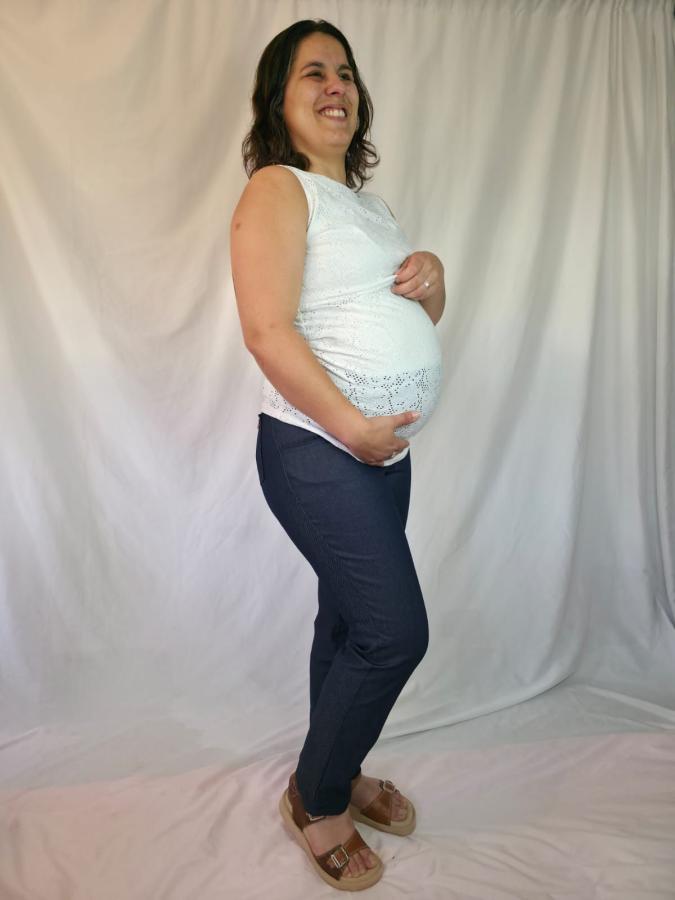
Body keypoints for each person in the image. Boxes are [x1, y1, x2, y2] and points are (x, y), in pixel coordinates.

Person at [230, 18, 445, 891]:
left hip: (377, 453)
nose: (336, 86)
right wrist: (352, 427)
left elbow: (404, 317)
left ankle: (339, 764)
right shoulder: (276, 189)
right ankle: (315, 798)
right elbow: (266, 329)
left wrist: (432, 281)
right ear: (277, 102)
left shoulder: (371, 208)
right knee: (395, 633)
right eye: (313, 73)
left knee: (351, 623)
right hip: (316, 444)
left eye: (346, 73)